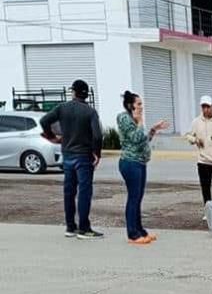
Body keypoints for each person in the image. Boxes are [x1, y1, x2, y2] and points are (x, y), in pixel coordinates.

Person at [40, 79, 104, 240]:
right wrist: (97, 153)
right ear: (86, 94)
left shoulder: (62, 108)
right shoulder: (90, 112)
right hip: (84, 156)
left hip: (67, 155)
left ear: (73, 92)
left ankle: (70, 227)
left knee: (69, 192)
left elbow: (44, 121)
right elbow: (97, 135)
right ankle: (84, 228)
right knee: (84, 192)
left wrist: (52, 137)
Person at [117, 91, 169, 245]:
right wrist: (140, 122)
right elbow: (135, 138)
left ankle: (140, 230)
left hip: (140, 162)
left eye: (141, 104)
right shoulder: (124, 118)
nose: (141, 107)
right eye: (138, 104)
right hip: (130, 162)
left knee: (138, 198)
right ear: (130, 105)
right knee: (133, 198)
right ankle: (132, 234)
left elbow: (143, 140)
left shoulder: (135, 119)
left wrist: (153, 129)